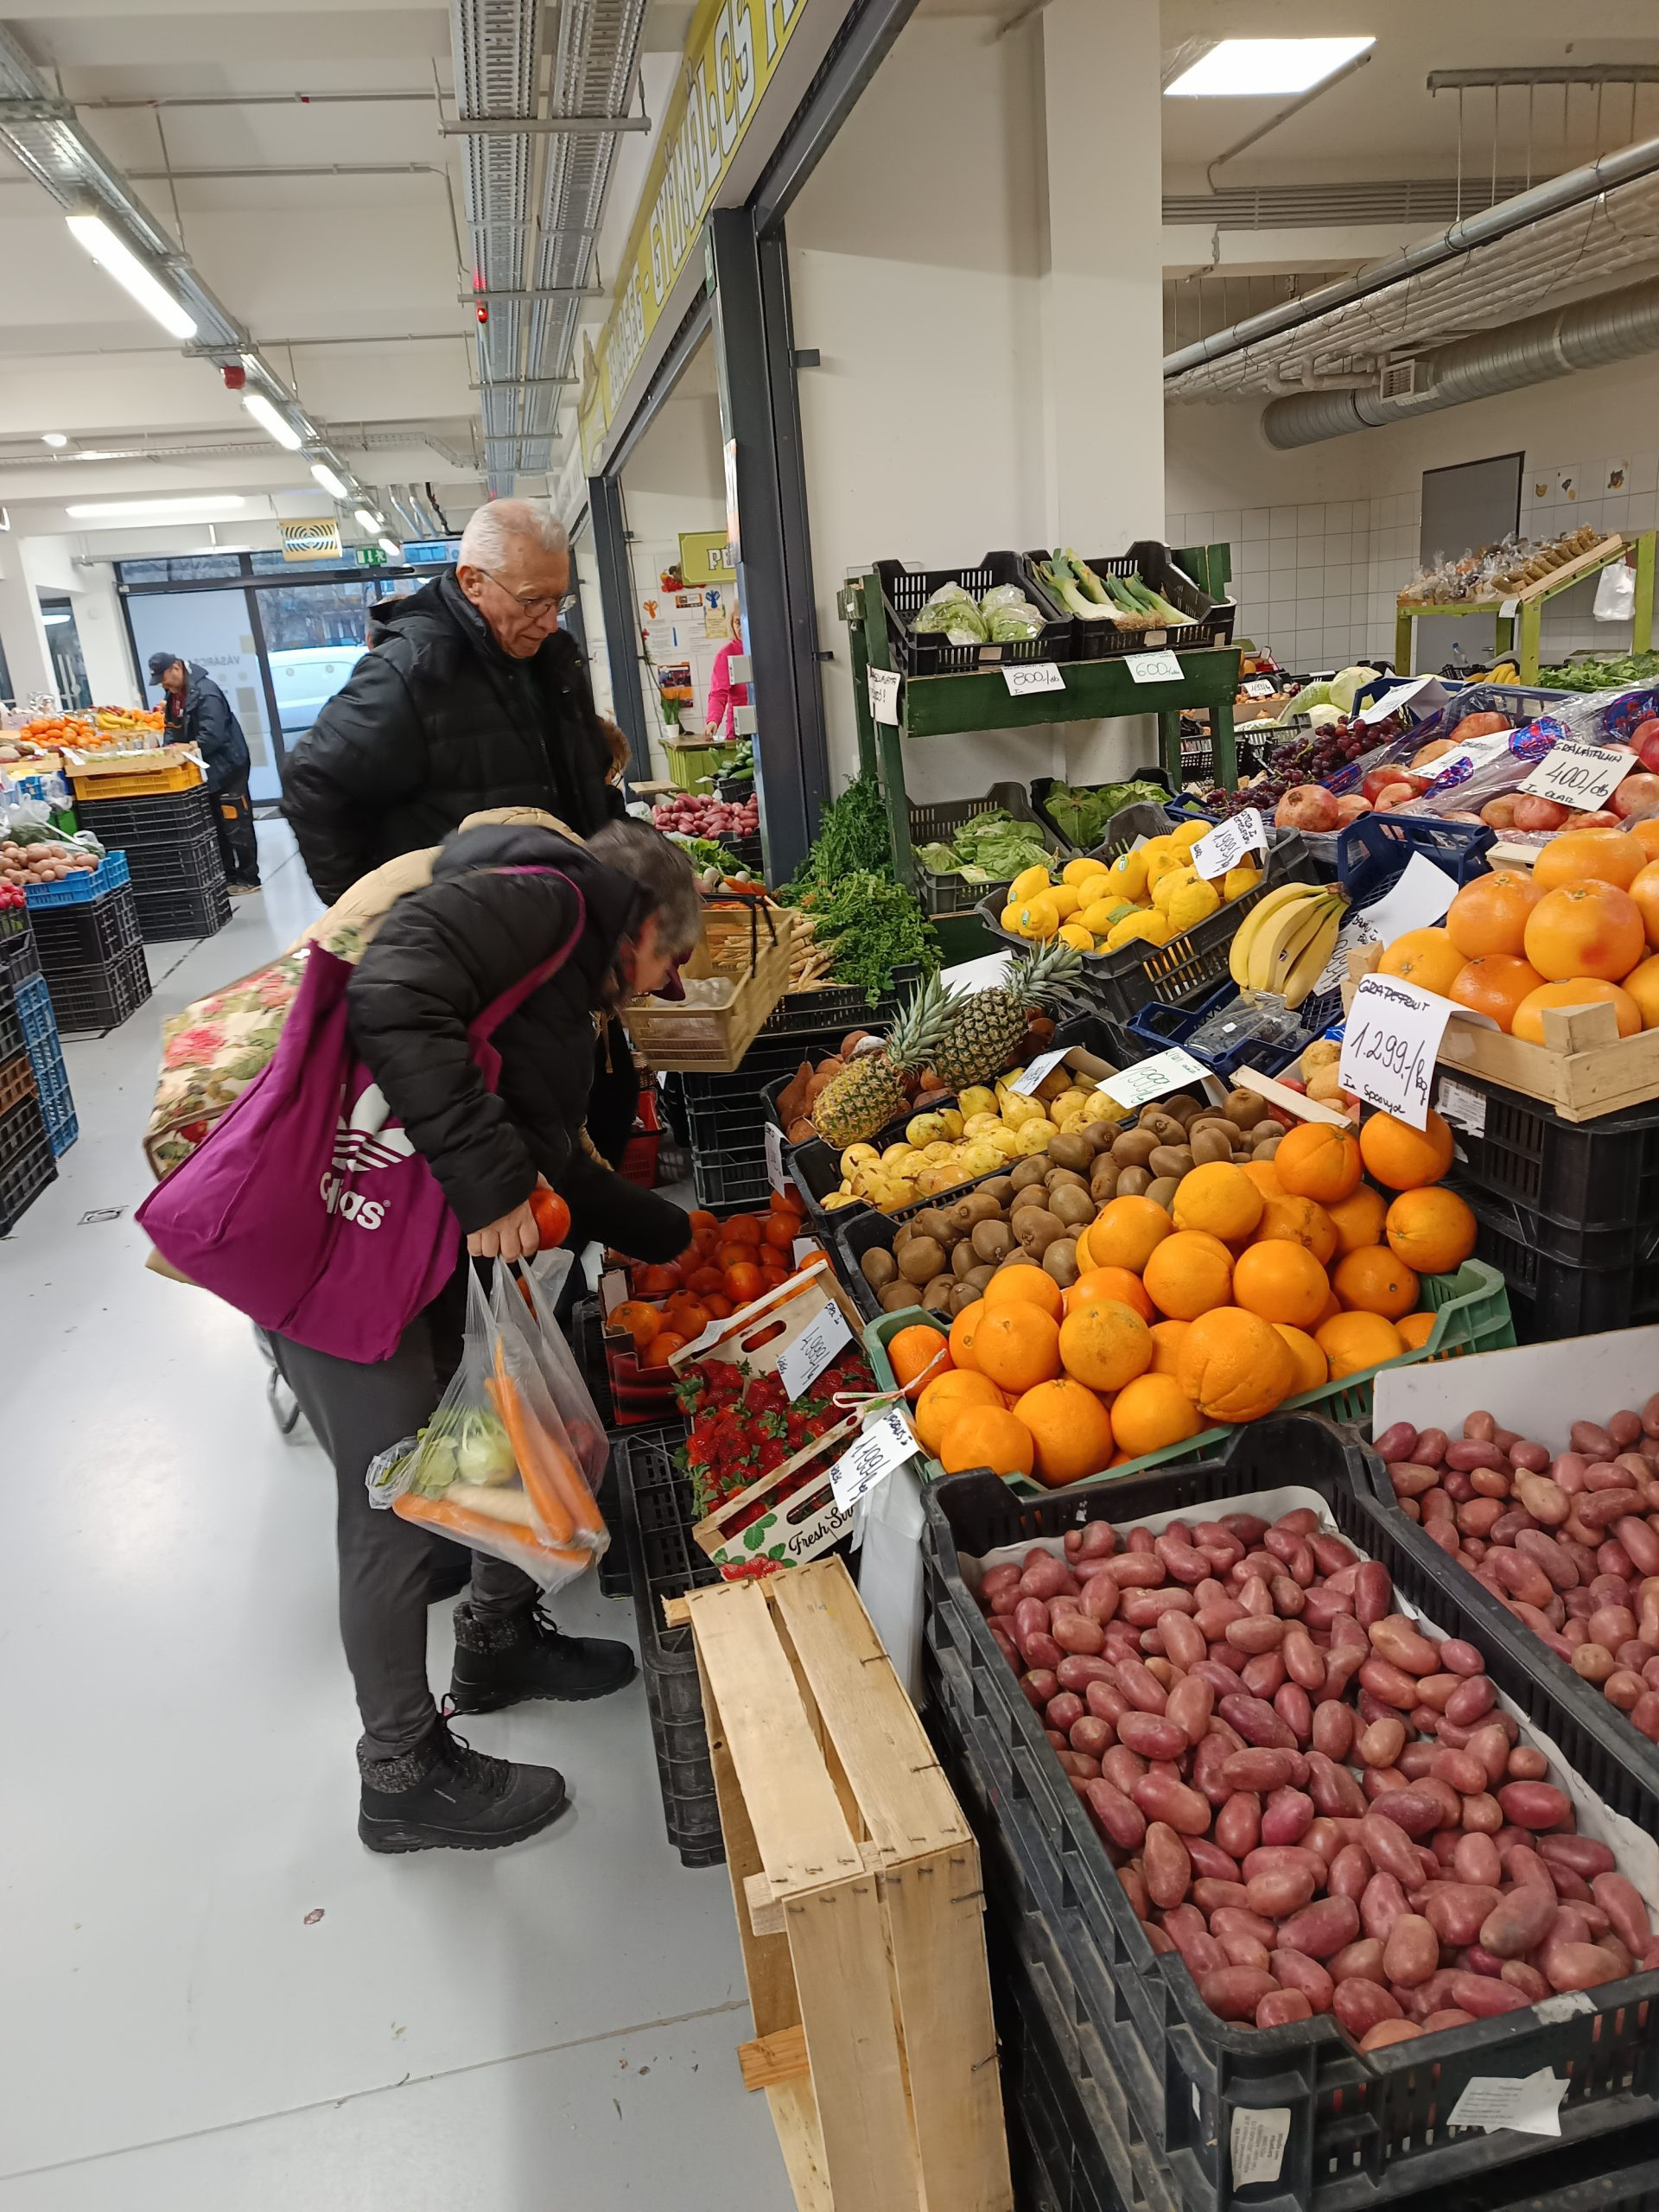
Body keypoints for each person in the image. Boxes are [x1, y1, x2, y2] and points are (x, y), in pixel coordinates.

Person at [265, 817, 701, 1855]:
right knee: (390, 1502)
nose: (662, 986)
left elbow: (560, 1161)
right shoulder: (549, 903)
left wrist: (677, 1236)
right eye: (671, 963)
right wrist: (493, 1183)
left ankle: (497, 1642)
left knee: (506, 1422)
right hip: (336, 1249)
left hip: (405, 1242)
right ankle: (402, 1773)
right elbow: (389, 994)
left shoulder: (555, 977)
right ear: (644, 927)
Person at [283, 499, 625, 909]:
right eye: (532, 601)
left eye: (558, 601)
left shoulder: (554, 659)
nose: (550, 622)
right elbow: (312, 780)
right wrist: (376, 909)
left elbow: (589, 783)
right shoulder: (412, 671)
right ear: (472, 582)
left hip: (560, 917)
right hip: (463, 930)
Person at [147, 652, 260, 891]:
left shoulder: (206, 693)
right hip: (205, 769)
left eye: (164, 678)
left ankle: (249, 878)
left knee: (236, 823)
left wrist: (189, 746)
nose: (163, 685)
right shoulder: (174, 694)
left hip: (228, 766)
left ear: (176, 668)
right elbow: (172, 727)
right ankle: (228, 876)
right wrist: (169, 749)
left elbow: (213, 735)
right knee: (216, 826)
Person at [704, 616, 747, 741]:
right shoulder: (726, 654)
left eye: (745, 622)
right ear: (732, 625)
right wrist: (713, 720)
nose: (741, 628)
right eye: (737, 623)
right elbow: (718, 693)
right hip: (740, 731)